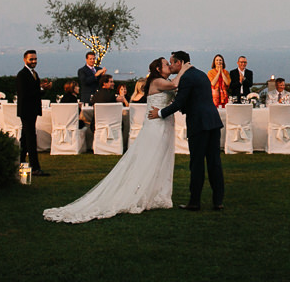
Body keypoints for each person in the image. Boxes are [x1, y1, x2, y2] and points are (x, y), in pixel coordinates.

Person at [43, 57, 180, 223]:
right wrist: (185, 67)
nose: (169, 66)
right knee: (149, 159)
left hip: (163, 124)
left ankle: (154, 193)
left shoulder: (161, 80)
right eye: (166, 64)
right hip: (156, 125)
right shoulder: (158, 81)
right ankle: (142, 193)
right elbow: (174, 85)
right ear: (158, 69)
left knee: (158, 160)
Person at [149, 51, 225, 211]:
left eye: (171, 63)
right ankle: (218, 200)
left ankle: (194, 202)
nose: (170, 66)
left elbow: (179, 103)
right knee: (214, 163)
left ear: (179, 63)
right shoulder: (201, 74)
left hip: (199, 124)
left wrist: (160, 113)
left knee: (197, 163)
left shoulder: (187, 78)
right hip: (213, 121)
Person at [16, 50, 51, 177]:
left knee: (25, 138)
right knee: (30, 138)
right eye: (31, 59)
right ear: (25, 60)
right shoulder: (22, 75)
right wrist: (41, 89)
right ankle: (35, 167)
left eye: (35, 59)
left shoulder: (34, 74)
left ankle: (20, 162)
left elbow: (35, 93)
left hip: (32, 110)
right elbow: (24, 94)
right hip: (26, 111)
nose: (34, 61)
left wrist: (43, 89)